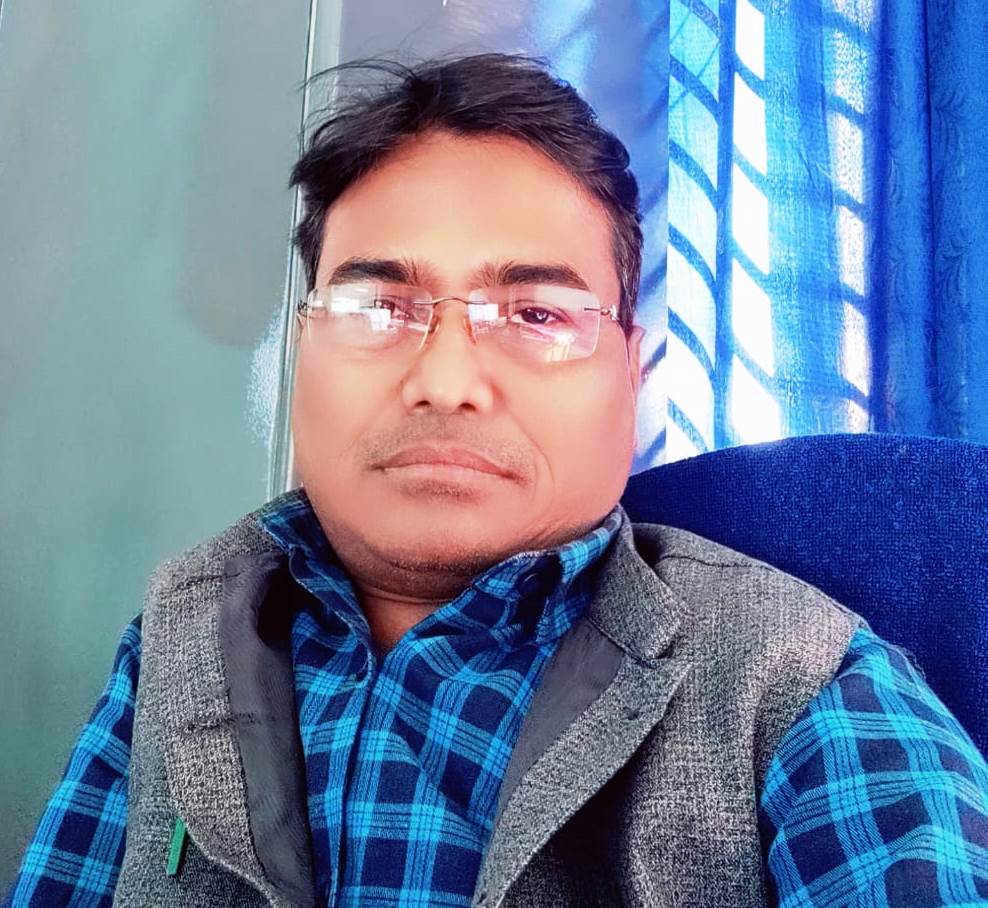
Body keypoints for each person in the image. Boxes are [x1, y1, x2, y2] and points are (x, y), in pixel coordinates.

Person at [4, 53, 987, 908]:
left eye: (537, 315)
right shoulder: (180, 638)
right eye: (379, 306)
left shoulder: (803, 686)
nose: (444, 381)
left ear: (631, 376)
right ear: (302, 355)